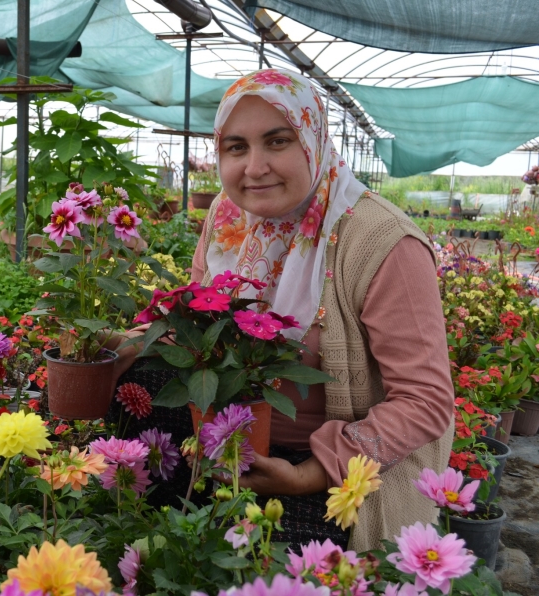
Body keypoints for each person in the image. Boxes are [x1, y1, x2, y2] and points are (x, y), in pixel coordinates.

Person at [109, 69, 453, 552]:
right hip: (231, 436)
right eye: (236, 147)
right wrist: (130, 342)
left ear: (313, 139)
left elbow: (425, 400)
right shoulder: (228, 217)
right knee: (123, 397)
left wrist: (305, 475)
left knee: (269, 555)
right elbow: (200, 323)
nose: (254, 167)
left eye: (277, 141)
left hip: (327, 468)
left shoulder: (381, 242)